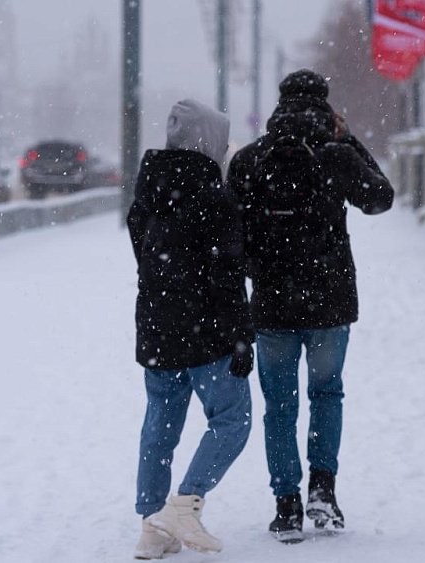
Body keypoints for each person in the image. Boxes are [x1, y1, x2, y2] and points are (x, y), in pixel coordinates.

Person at [227, 69, 394, 543]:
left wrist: (255, 276)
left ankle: (286, 506)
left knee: (279, 406)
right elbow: (380, 198)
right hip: (329, 300)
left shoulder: (252, 159)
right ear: (325, 107)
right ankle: (323, 490)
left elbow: (233, 235)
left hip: (272, 304)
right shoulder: (334, 153)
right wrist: (349, 140)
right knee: (326, 394)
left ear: (280, 105)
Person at [127, 99, 254, 558]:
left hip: (158, 326)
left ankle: (152, 525)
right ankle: (186, 504)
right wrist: (242, 337)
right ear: (208, 141)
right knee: (233, 420)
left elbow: (145, 254)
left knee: (160, 424)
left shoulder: (148, 191)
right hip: (207, 331)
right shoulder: (215, 198)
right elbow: (227, 276)